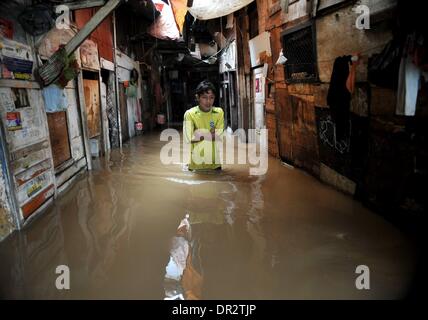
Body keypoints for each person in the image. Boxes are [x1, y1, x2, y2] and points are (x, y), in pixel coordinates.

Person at [183, 80, 224, 171]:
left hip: (215, 164)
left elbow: (218, 136)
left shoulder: (219, 112)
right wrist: (210, 134)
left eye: (211, 97)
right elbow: (188, 139)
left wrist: (199, 133)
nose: (208, 101)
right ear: (197, 97)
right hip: (196, 165)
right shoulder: (190, 114)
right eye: (204, 97)